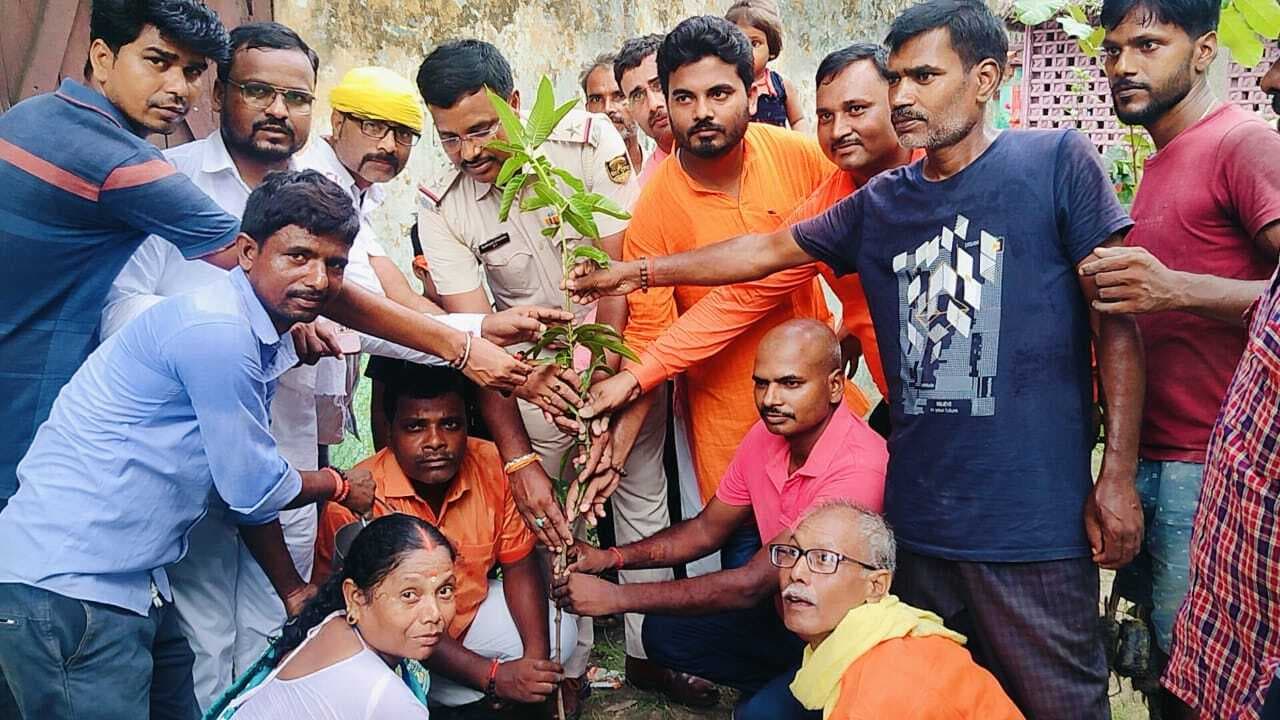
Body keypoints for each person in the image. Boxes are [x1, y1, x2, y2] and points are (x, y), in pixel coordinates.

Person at [568, 2, 1146, 716]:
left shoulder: (1055, 162)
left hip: (1030, 518)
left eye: (924, 76)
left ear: (985, 77)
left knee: (1058, 701)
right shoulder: (880, 201)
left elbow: (1118, 319)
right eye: (897, 78)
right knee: (932, 693)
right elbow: (768, 252)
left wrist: (1116, 473)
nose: (904, 97)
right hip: (922, 518)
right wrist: (641, 273)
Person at [0, 0, 545, 509]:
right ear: (101, 56)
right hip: (99, 421)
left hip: (284, 443)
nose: (178, 89)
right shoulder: (139, 169)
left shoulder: (36, 120)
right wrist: (463, 348)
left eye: (190, 72)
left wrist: (476, 330)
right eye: (157, 62)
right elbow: (300, 287)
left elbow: (363, 298)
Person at [0, 171, 379, 719]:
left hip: (133, 587)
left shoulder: (244, 331)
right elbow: (251, 490)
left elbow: (239, 482)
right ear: (247, 252)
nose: (319, 278)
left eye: (335, 263)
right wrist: (340, 483)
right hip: (72, 591)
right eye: (297, 257)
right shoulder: (218, 333)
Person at [414, 39, 671, 707]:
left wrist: (612, 381)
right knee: (556, 521)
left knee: (641, 499)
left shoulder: (587, 144)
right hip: (529, 378)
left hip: (622, 354)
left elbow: (621, 274)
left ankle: (654, 655)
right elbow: (477, 340)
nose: (468, 154)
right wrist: (519, 456)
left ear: (518, 104)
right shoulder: (439, 204)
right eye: (449, 139)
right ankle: (573, 668)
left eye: (481, 130)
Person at [603, 16, 865, 573]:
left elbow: (851, 263)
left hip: (826, 426)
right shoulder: (652, 211)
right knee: (757, 597)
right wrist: (618, 444)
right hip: (730, 442)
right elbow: (651, 341)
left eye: (719, 93)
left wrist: (855, 333)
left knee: (848, 581)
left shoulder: (800, 157)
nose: (702, 112)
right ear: (665, 104)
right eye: (685, 97)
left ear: (753, 93)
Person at [1088, 0, 1280, 715]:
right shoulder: (1166, 158)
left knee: (1206, 685)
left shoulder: (1243, 144)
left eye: (1147, 44)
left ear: (1203, 51)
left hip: (1215, 464)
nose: (1123, 67)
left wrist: (1176, 289)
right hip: (1154, 455)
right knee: (1165, 671)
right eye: (1112, 52)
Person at [574, 44, 917, 440]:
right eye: (825, 116)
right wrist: (633, 373)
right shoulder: (835, 202)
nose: (839, 129)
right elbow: (751, 277)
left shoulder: (948, 172)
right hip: (896, 412)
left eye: (857, 109)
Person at [554, 320, 887, 718]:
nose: (770, 399)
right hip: (791, 617)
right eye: (761, 384)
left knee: (756, 716)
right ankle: (781, 682)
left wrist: (617, 597)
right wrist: (610, 558)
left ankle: (807, 695)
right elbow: (705, 530)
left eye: (790, 383)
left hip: (846, 640)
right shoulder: (767, 436)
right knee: (662, 634)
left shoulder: (860, 468)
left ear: (835, 385)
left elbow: (749, 584)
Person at [313, 363, 572, 718]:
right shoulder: (357, 500)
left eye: (450, 424)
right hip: (385, 642)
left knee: (562, 634)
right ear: (388, 432)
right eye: (415, 427)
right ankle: (437, 696)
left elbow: (519, 566)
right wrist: (492, 676)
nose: (435, 442)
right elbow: (361, 620)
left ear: (468, 423)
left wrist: (533, 669)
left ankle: (464, 694)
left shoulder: (493, 465)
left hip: (460, 621)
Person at [777, 501, 1023, 719]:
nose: (796, 573)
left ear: (876, 585)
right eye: (791, 552)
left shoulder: (882, 683)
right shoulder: (877, 640)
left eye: (824, 559)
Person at [213, 514, 454, 719]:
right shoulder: (388, 700)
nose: (433, 614)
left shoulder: (333, 623)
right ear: (355, 597)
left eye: (444, 591)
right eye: (409, 595)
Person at [725, 0, 807, 130]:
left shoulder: (781, 85)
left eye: (755, 44)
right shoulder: (725, 85)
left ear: (771, 49)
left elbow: (798, 120)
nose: (746, 50)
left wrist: (802, 144)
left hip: (776, 149)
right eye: (738, 42)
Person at [614, 34, 675, 185]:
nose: (653, 104)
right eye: (638, 95)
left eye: (659, 85)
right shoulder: (646, 190)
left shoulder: (737, 144)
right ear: (630, 109)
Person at [582, 53, 644, 171]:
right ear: (587, 109)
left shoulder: (659, 167)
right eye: (596, 99)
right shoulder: (577, 175)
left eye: (619, 96)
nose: (607, 108)